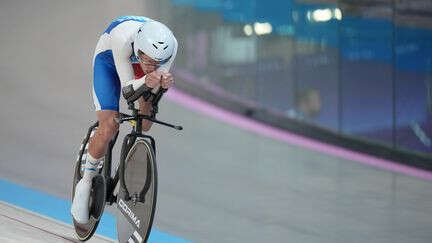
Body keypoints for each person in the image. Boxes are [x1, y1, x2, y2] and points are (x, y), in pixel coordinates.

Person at [71, 16, 178, 224]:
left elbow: (153, 91)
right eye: (148, 60)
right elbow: (128, 90)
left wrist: (161, 85)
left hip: (137, 65)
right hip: (111, 61)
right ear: (139, 48)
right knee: (109, 125)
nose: (151, 66)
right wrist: (147, 78)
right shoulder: (122, 39)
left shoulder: (171, 47)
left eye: (157, 63)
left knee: (145, 123)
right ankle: (85, 182)